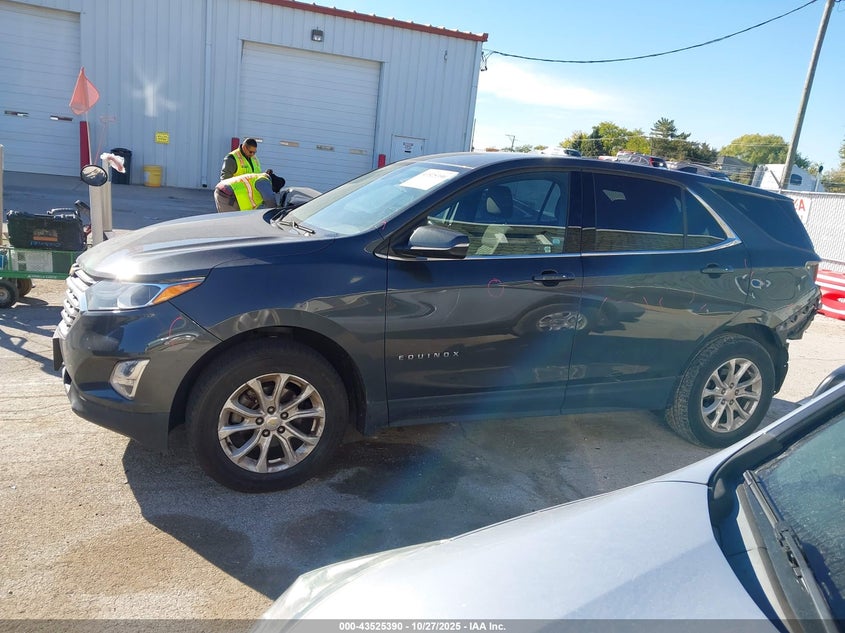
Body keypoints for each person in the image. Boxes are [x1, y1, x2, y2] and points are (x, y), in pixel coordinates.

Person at [214, 169, 285, 212]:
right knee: (232, 224)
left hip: (223, 191)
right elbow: (269, 199)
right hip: (227, 195)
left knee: (230, 222)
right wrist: (275, 212)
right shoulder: (264, 181)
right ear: (273, 185)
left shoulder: (259, 177)